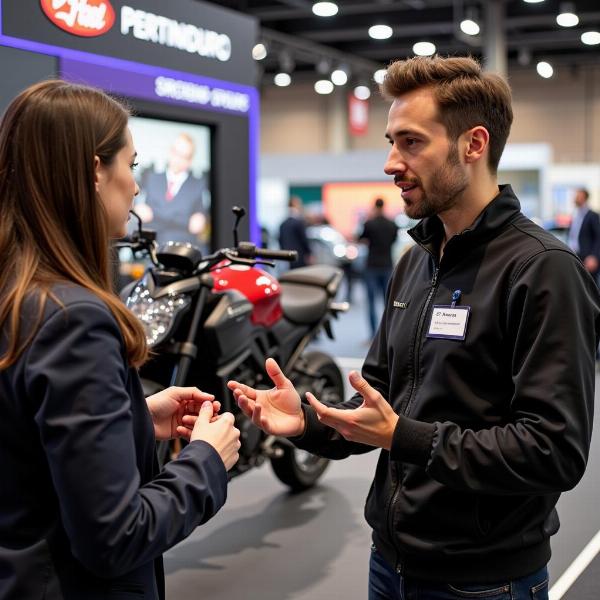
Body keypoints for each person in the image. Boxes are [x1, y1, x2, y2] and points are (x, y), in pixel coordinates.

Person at [228, 56, 600, 600]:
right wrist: (309, 423)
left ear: (473, 145)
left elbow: (554, 451)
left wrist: (407, 437)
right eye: (390, 141)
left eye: (411, 142)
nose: (389, 162)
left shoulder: (542, 269)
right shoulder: (417, 259)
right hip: (391, 563)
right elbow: (378, 398)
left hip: (485, 581)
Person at [0, 80, 241, 599]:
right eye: (130, 166)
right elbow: (115, 536)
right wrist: (205, 461)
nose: (135, 187)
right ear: (94, 170)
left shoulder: (14, 292)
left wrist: (133, 413)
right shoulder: (72, 319)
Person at [135, 132, 208, 247]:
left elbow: (196, 226)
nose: (178, 159)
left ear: (190, 160)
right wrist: (184, 221)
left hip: (182, 249)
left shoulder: (198, 185)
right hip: (151, 247)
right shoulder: (152, 178)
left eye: (184, 156)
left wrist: (154, 214)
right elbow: (140, 213)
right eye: (176, 153)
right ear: (170, 152)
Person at [358, 198, 399, 337]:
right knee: (388, 302)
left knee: (371, 302)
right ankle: (387, 334)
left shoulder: (369, 224)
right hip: (387, 265)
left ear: (374, 206)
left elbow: (361, 239)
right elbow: (394, 240)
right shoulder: (392, 224)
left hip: (372, 266)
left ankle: (372, 336)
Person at [567, 187, 600, 284]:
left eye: (578, 196)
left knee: (591, 288)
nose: (575, 198)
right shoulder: (575, 215)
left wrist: (594, 256)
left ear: (584, 197)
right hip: (576, 256)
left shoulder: (592, 215)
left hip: (588, 258)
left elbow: (598, 237)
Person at [278, 195, 312, 269]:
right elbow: (304, 240)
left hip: (286, 257)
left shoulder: (283, 224)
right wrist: (309, 253)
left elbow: (280, 240)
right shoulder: (299, 222)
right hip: (299, 257)